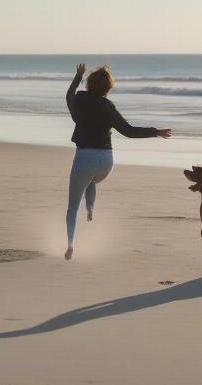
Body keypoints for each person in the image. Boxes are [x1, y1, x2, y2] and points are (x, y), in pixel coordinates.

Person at [64, 63, 171, 260]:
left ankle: (71, 245)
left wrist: (78, 76)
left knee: (72, 206)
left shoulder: (80, 99)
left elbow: (69, 96)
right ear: (108, 88)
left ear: (90, 84)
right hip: (106, 161)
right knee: (92, 180)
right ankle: (90, 209)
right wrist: (155, 132)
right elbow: (129, 131)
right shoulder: (108, 107)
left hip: (84, 157)